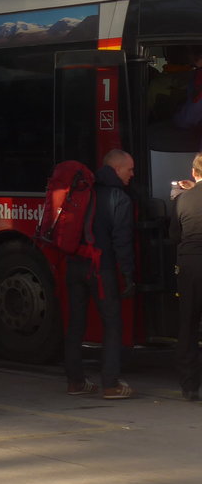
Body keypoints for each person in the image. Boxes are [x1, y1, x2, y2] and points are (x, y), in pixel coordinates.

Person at [64, 148, 137, 399]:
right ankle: (110, 384)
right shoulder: (119, 198)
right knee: (113, 324)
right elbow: (122, 242)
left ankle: (75, 382)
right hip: (99, 268)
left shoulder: (83, 191)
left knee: (76, 323)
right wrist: (128, 275)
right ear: (116, 169)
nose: (132, 174)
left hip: (74, 264)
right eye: (129, 169)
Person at [169, 153, 202, 401]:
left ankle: (189, 386)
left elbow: (174, 235)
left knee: (188, 324)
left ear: (193, 173)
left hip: (188, 264)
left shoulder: (181, 200)